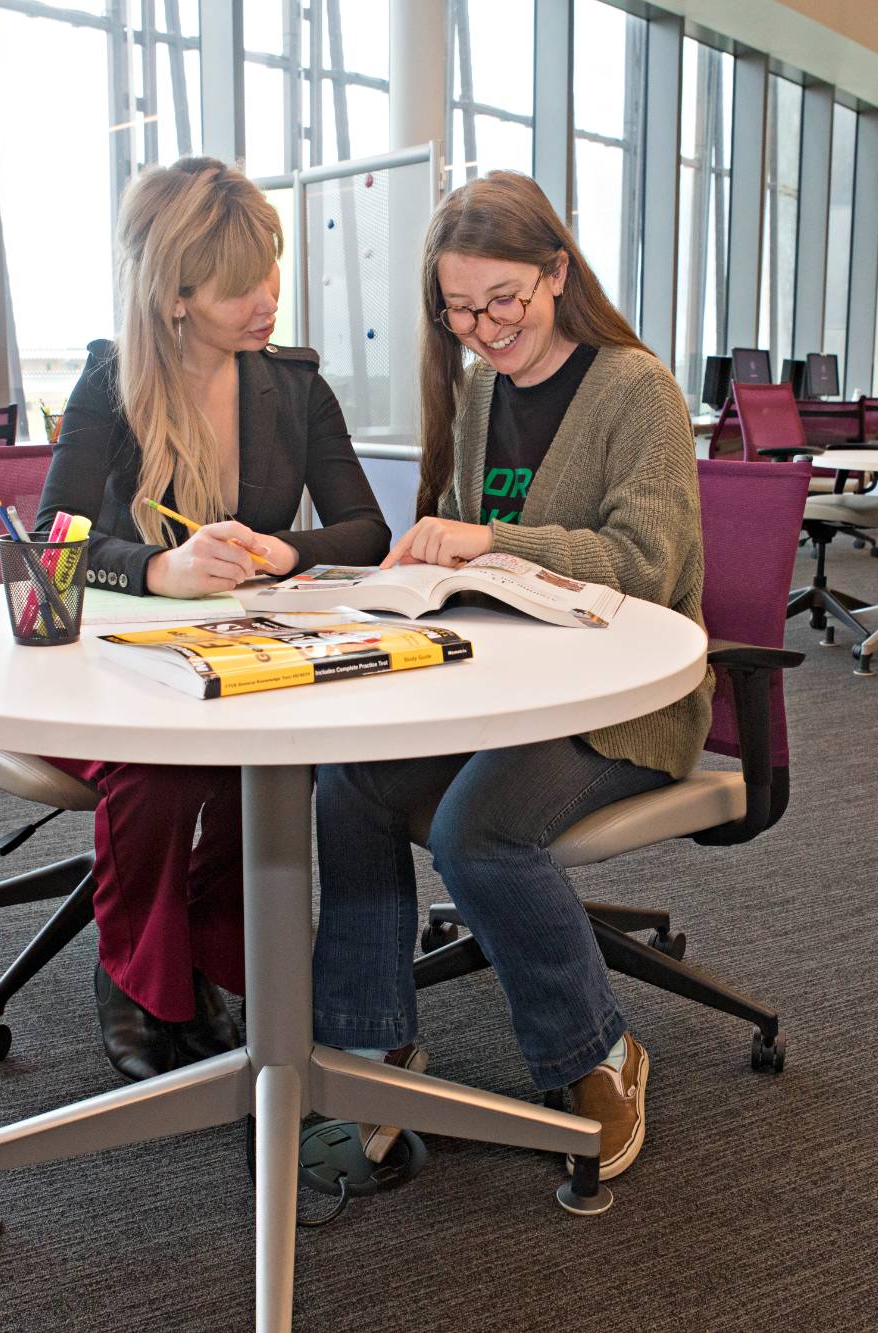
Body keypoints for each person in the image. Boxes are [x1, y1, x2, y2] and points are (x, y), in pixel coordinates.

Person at [308, 171, 712, 1186]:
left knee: (473, 829)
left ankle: (597, 1051)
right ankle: (370, 1048)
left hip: (625, 703)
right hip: (500, 686)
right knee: (348, 781)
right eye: (457, 309)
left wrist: (491, 538)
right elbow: (469, 559)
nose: (483, 328)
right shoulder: (481, 388)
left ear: (556, 274)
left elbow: (647, 563)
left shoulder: (634, 388)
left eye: (503, 300)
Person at [36, 158, 389, 1083]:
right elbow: (52, 542)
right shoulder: (111, 386)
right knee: (155, 773)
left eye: (272, 271)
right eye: (240, 286)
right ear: (178, 294)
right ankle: (139, 980)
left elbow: (366, 527)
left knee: (264, 768)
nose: (269, 298)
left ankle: (216, 964)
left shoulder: (296, 388)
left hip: (240, 663)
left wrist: (287, 552)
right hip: (115, 672)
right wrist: (159, 567)